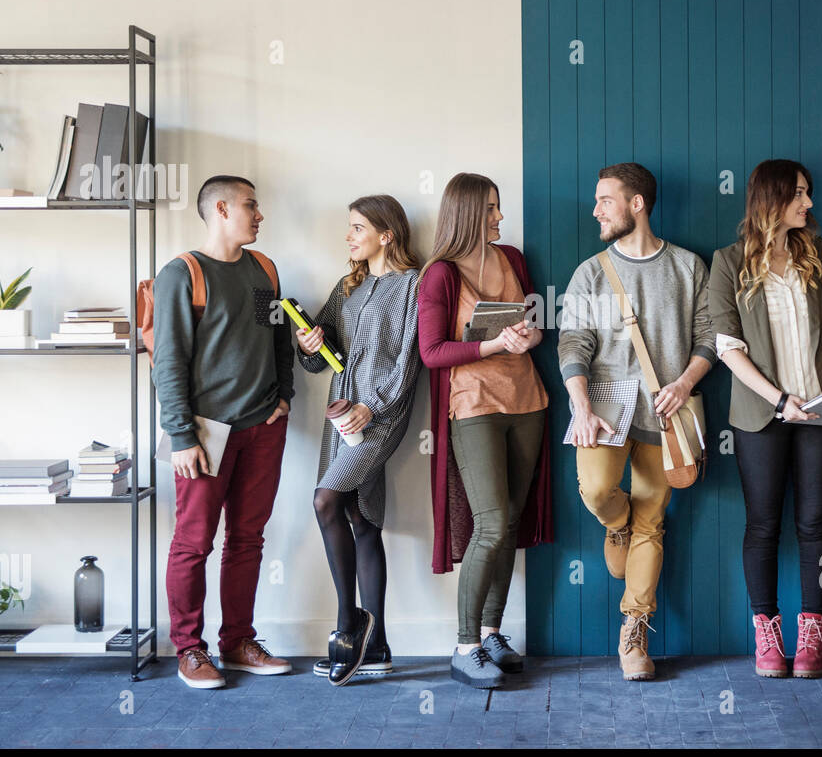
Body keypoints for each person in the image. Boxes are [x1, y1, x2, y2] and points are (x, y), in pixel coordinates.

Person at [709, 159, 822, 680]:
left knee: (816, 523)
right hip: (762, 414)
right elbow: (728, 349)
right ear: (771, 198)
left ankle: (811, 636)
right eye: (799, 194)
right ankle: (767, 635)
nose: (809, 203)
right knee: (762, 525)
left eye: (809, 194)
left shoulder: (813, 255)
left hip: (820, 409)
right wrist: (779, 401)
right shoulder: (729, 262)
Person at [559, 162, 715, 681]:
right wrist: (581, 409)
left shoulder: (689, 267)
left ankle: (633, 632)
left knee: (653, 520)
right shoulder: (591, 271)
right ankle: (615, 521)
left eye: (606, 200)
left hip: (666, 417)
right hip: (604, 412)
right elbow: (574, 344)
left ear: (637, 204)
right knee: (597, 490)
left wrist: (684, 383)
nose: (597, 209)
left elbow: (709, 338)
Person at [154, 175, 295, 689]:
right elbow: (168, 363)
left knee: (247, 539)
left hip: (263, 427)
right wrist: (181, 436)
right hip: (205, 433)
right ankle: (189, 650)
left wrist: (284, 398)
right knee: (194, 543)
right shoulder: (181, 274)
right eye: (251, 206)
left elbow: (276, 337)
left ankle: (236, 642)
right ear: (220, 208)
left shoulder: (264, 271)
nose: (259, 216)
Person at [417, 173, 552, 689]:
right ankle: (465, 645)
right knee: (491, 524)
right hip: (473, 404)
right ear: (468, 212)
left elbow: (535, 323)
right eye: (492, 208)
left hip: (527, 400)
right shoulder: (440, 276)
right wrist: (495, 347)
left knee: (511, 522)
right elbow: (432, 353)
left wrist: (527, 336)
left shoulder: (513, 259)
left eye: (498, 207)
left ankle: (492, 634)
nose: (500, 216)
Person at [295, 195, 422, 686]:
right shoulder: (348, 285)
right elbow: (321, 354)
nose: (348, 237)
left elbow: (410, 358)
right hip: (342, 412)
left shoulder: (414, 283)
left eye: (357, 227)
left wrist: (376, 405)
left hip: (382, 415)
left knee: (325, 500)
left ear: (386, 234)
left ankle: (350, 625)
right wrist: (311, 344)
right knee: (359, 516)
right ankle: (380, 646)